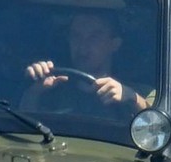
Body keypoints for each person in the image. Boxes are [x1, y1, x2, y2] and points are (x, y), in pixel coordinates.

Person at [22, 12, 153, 112]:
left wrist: (132, 99)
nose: (83, 46)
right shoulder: (52, 91)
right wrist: (34, 92)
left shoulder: (141, 93)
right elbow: (23, 132)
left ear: (114, 44)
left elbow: (158, 129)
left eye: (94, 37)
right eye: (76, 36)